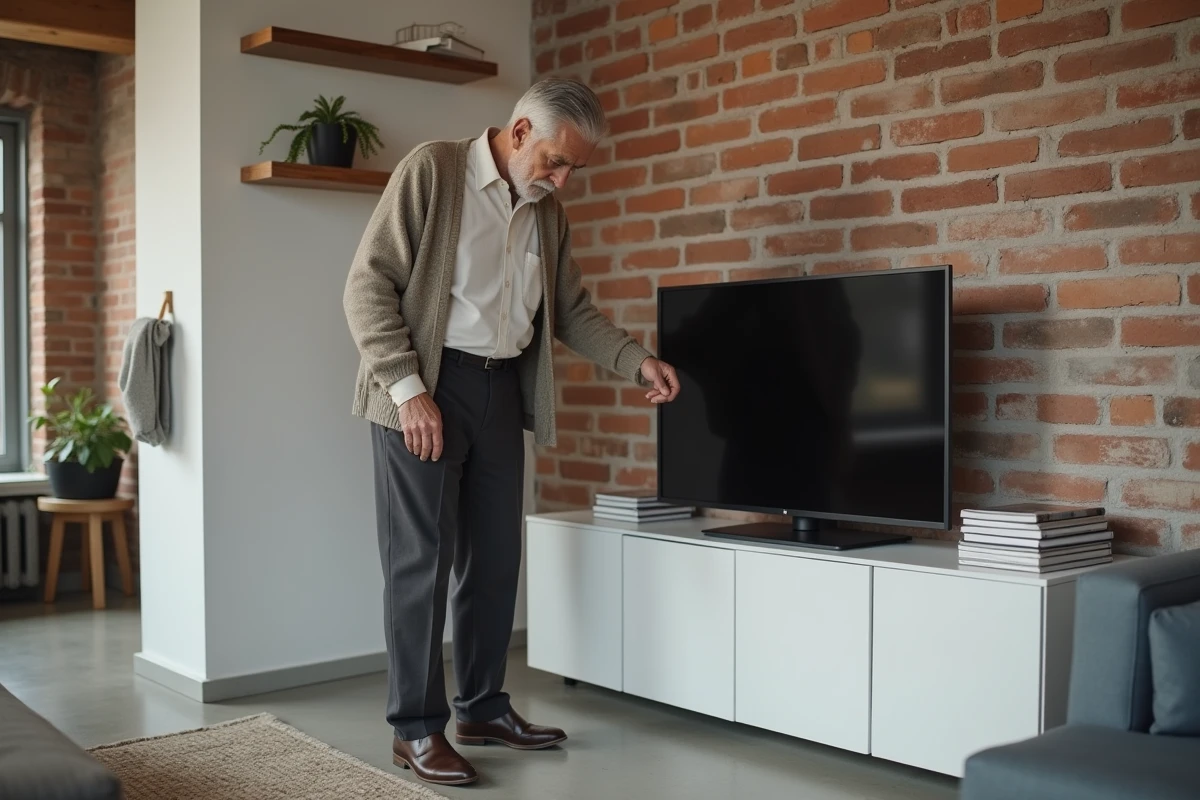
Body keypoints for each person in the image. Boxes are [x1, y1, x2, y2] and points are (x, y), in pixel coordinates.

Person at [343, 78, 681, 786]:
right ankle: (415, 729)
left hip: (501, 390)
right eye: (555, 162)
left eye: (572, 171)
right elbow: (367, 284)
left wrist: (636, 359)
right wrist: (407, 390)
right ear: (520, 130)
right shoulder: (433, 172)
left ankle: (482, 707)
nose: (560, 181)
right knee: (421, 565)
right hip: (426, 386)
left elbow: (571, 309)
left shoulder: (545, 213)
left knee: (495, 561)